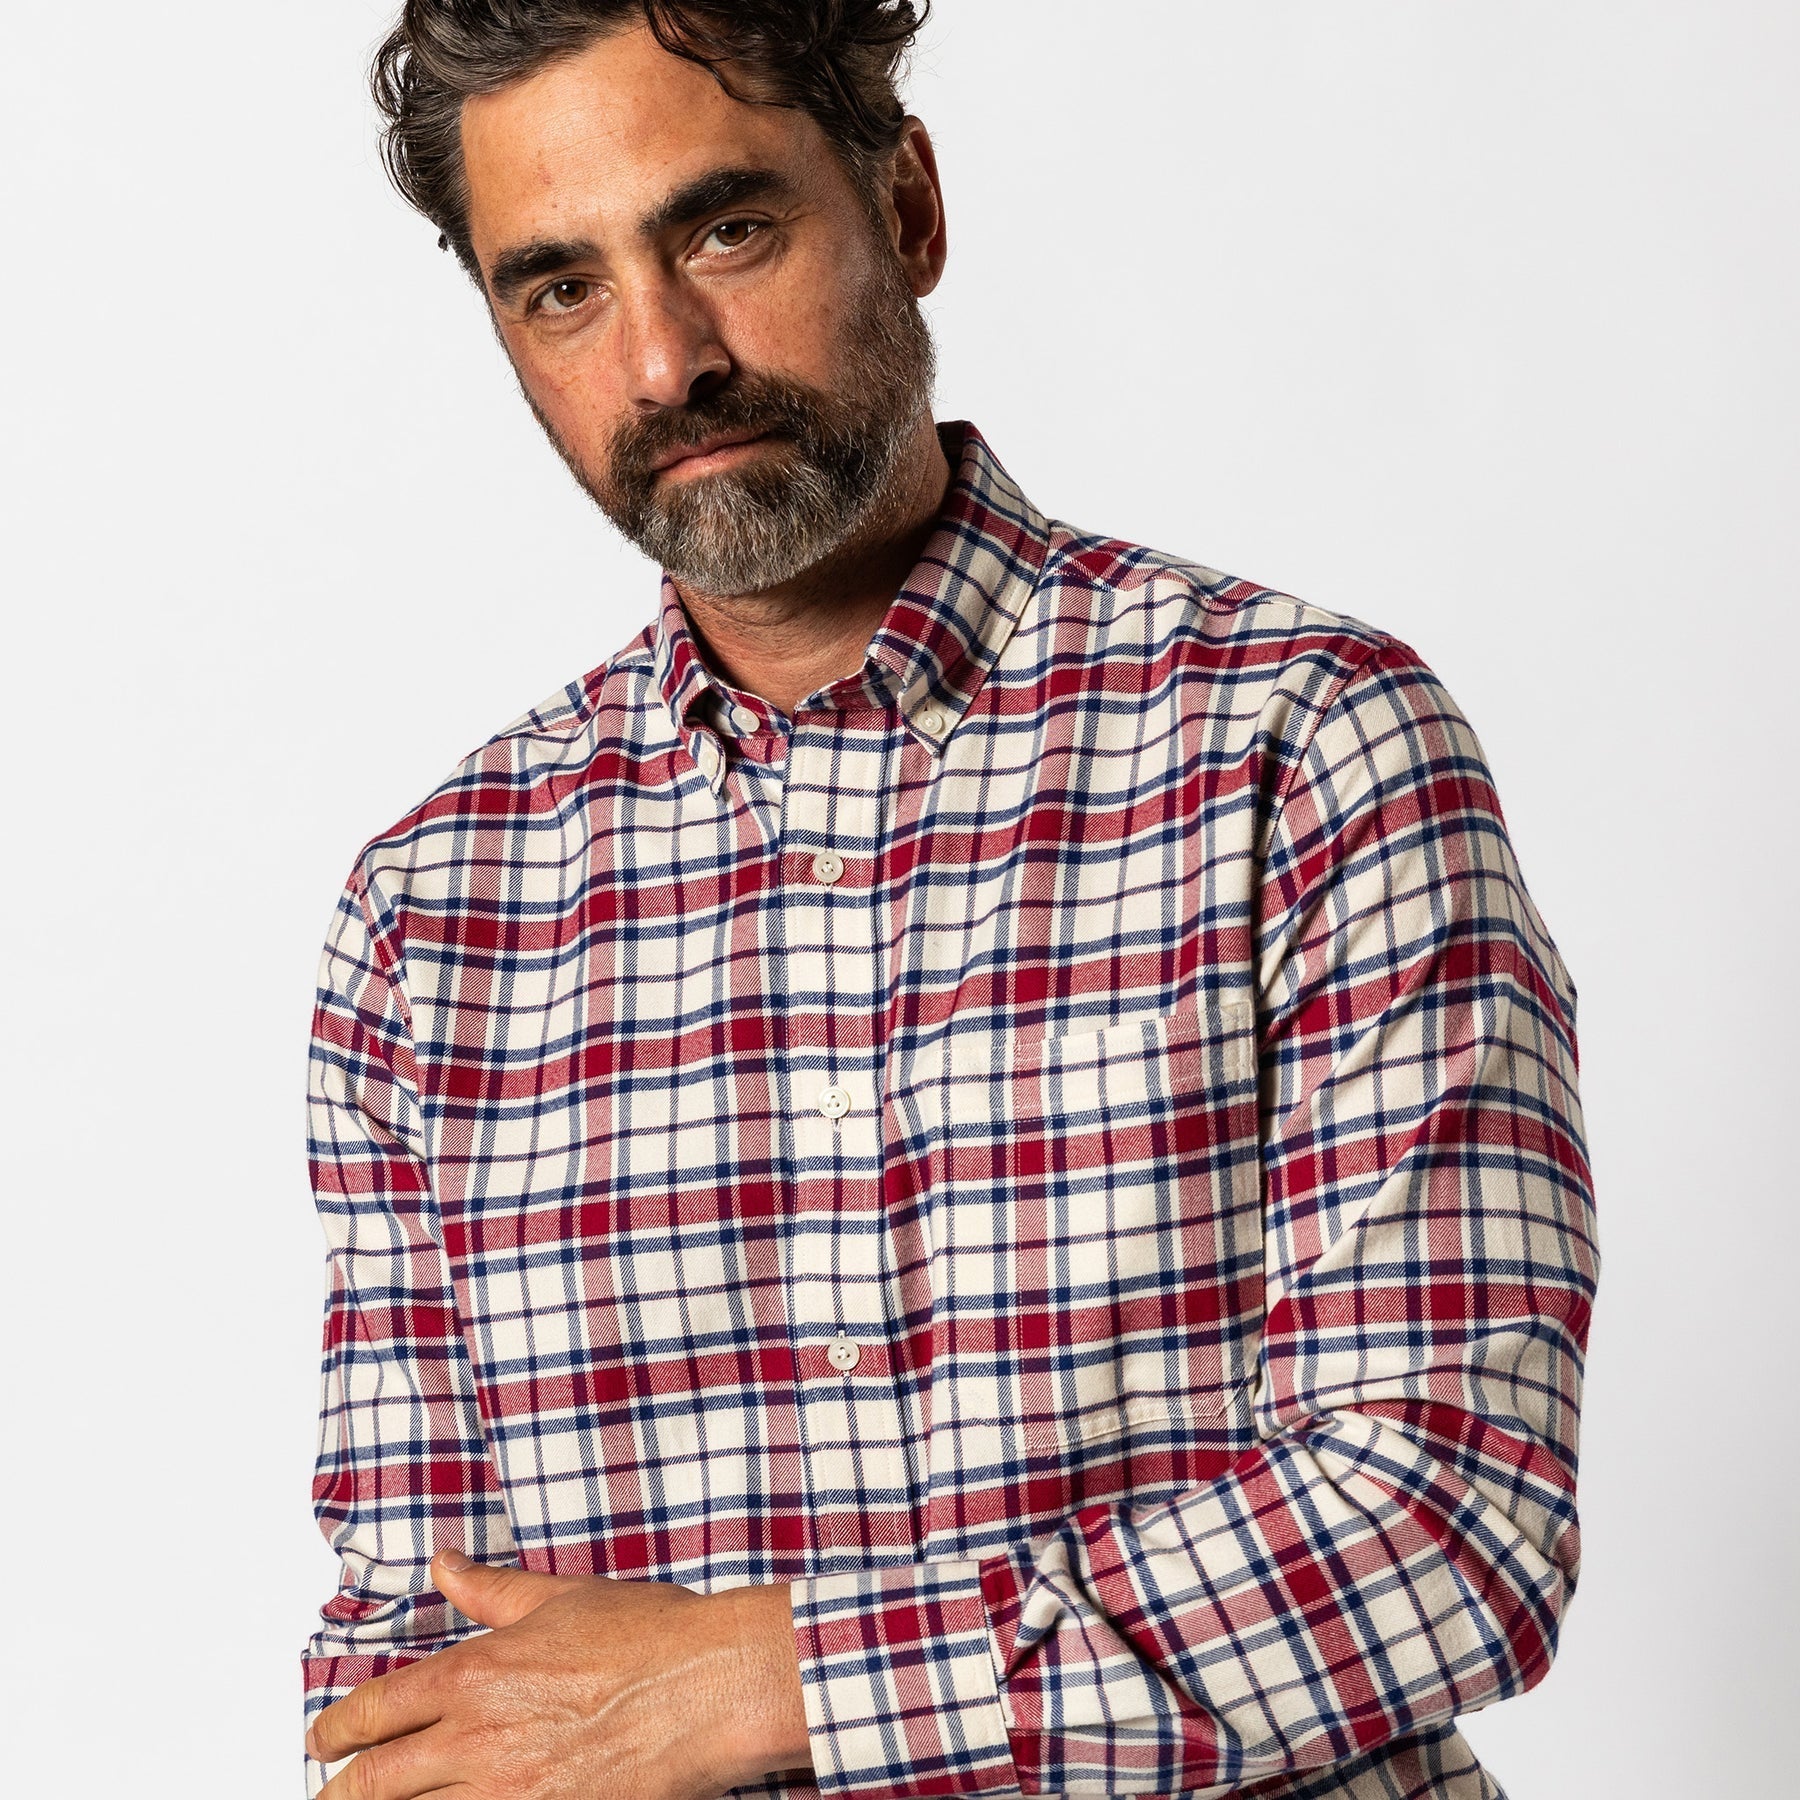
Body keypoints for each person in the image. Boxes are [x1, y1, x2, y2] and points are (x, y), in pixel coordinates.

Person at [301, 4, 1598, 1797]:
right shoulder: (432, 924)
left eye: (725, 229)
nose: (666, 361)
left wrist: (772, 1679)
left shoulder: (1302, 749)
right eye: (562, 288)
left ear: (905, 206)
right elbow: (414, 1686)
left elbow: (1452, 1527)